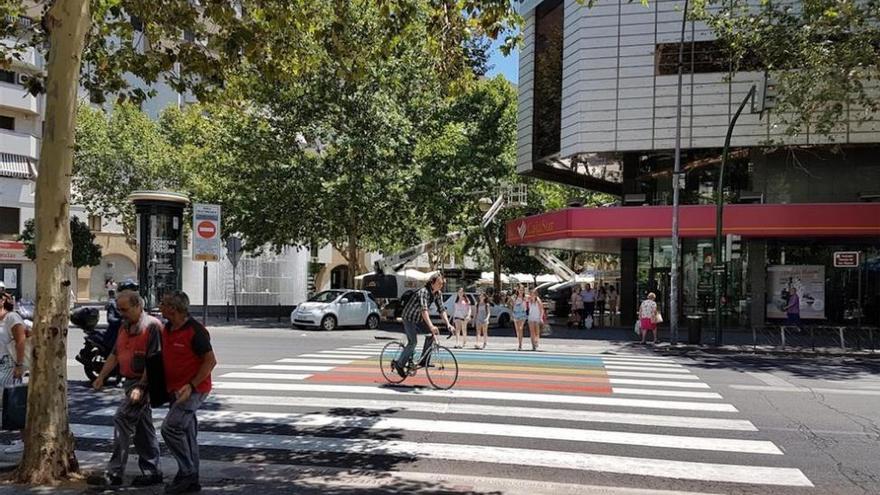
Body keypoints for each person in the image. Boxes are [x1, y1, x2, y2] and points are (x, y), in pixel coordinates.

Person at [88, 290, 164, 488]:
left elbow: (154, 361)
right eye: (119, 309)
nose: (121, 313)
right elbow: (114, 354)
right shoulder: (124, 325)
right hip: (130, 382)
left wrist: (141, 386)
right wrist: (102, 377)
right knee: (142, 428)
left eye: (125, 309)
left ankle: (115, 473)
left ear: (138, 306)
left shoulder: (152, 327)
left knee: (122, 418)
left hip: (143, 383)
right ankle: (152, 470)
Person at [159, 291, 217, 494]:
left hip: (193, 390)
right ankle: (192, 479)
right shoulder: (167, 328)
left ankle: (187, 473)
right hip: (175, 390)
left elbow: (210, 361)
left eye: (163, 303)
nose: (160, 306)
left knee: (171, 429)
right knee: (187, 433)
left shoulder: (195, 331)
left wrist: (191, 386)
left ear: (173, 309)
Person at [395, 273, 452, 376]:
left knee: (431, 335)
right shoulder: (423, 292)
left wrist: (448, 324)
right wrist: (431, 326)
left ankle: (423, 361)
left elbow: (441, 309)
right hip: (409, 318)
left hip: (419, 319)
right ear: (432, 283)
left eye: (442, 284)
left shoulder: (438, 294)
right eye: (439, 283)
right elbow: (424, 310)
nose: (441, 285)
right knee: (413, 342)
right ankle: (399, 364)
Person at [0, 292, 28, 454]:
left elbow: (21, 341)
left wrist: (19, 365)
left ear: (3, 300)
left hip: (9, 367)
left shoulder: (11, 318)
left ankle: (25, 441)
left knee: (15, 405)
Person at [511, 285, 528, 351]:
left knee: (520, 329)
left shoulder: (525, 297)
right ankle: (519, 343)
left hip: (522, 314)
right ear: (517, 290)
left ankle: (520, 345)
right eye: (520, 290)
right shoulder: (514, 297)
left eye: (522, 290)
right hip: (516, 313)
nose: (521, 291)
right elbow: (511, 305)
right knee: (517, 330)